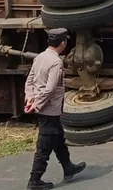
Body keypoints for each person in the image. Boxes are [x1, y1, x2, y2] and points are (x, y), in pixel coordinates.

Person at [24, 28, 86, 190]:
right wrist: (37, 104)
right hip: (49, 109)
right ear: (63, 43)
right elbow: (50, 89)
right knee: (44, 146)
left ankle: (68, 167)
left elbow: (30, 80)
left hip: (42, 106)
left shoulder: (40, 57)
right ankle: (35, 180)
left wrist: (30, 97)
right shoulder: (56, 62)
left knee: (58, 138)